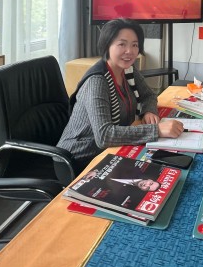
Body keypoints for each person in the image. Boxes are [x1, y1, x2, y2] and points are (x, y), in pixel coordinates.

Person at [56, 18, 183, 180]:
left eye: (135, 45)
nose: (129, 51)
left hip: (110, 150)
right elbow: (104, 136)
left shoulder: (127, 70)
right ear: (107, 46)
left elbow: (148, 95)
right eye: (122, 44)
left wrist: (148, 111)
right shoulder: (97, 81)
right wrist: (157, 130)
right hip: (77, 160)